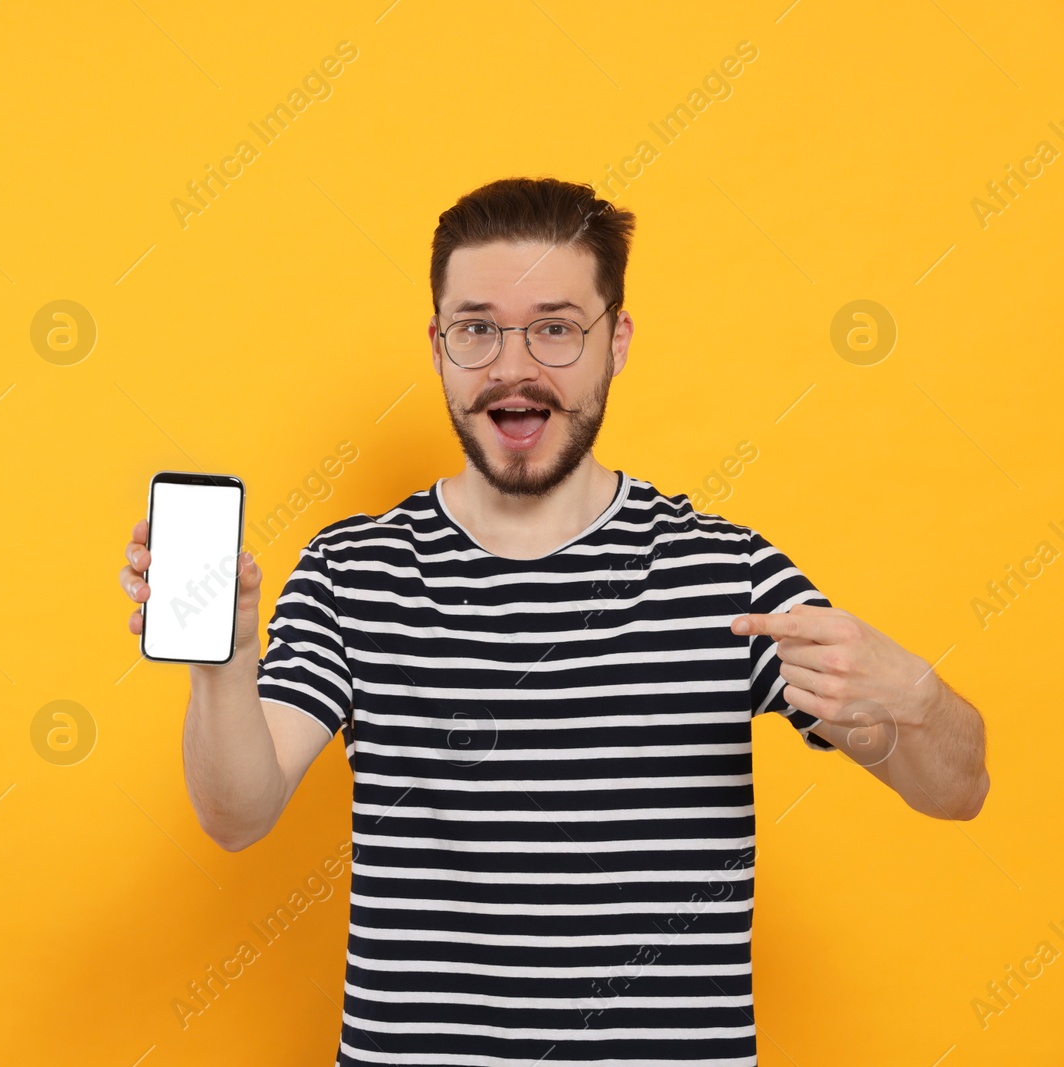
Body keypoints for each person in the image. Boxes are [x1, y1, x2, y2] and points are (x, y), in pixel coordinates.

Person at [118, 176, 990, 1065]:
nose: (513, 365)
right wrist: (223, 664)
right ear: (439, 345)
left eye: (556, 327)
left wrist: (917, 701)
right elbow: (237, 813)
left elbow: (954, 791)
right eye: (478, 327)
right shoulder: (354, 571)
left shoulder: (725, 574)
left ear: (617, 340)